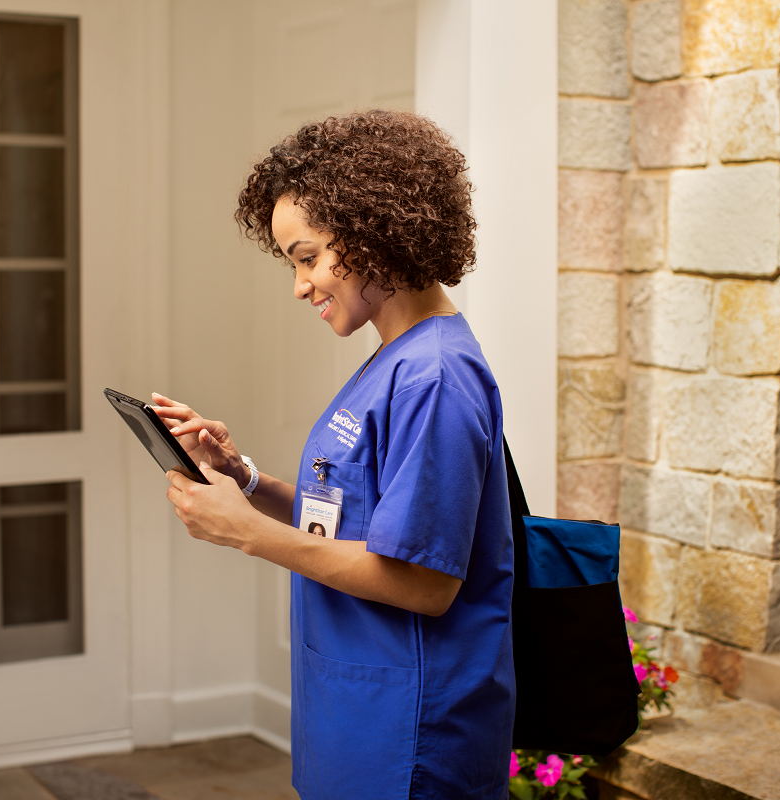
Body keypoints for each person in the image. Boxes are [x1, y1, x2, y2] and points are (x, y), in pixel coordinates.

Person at [154, 109, 514, 799]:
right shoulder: (396, 357)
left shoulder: (434, 376)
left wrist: (249, 535)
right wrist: (245, 479)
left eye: (310, 258)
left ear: (378, 233)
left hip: (412, 735)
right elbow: (361, 519)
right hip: (355, 714)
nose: (301, 284)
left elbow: (424, 583)